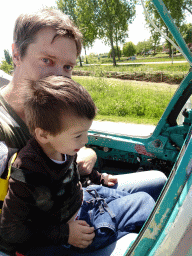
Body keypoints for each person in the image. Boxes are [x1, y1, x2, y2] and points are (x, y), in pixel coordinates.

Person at [0, 7, 167, 253]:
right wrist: (64, 234)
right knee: (140, 241)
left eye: (67, 67)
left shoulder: (58, 108)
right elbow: (10, 230)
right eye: (47, 60)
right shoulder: (5, 132)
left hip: (77, 195)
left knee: (160, 181)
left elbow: (71, 149)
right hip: (52, 233)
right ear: (16, 54)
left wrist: (86, 154)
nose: (58, 77)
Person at [0, 76, 155, 255]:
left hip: (81, 199)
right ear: (43, 135)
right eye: (78, 135)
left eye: (86, 132)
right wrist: (65, 233)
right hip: (68, 232)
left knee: (152, 190)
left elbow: (72, 172)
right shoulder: (28, 171)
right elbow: (9, 231)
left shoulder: (62, 146)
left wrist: (99, 178)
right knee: (145, 203)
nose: (86, 140)